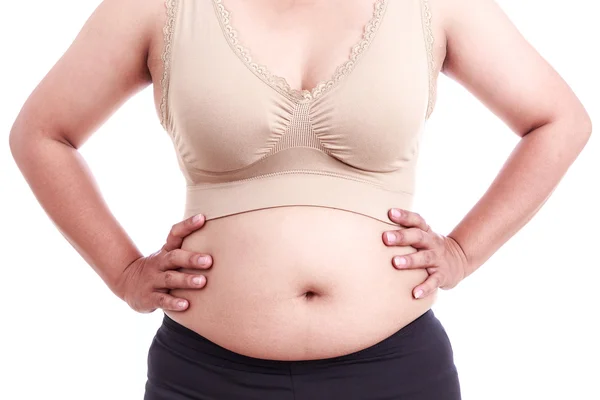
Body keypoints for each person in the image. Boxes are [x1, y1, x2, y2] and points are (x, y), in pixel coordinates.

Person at [8, 0, 591, 398]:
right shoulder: (159, 8)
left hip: (394, 370)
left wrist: (463, 251)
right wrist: (124, 272)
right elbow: (42, 133)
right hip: (207, 374)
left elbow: (558, 120)